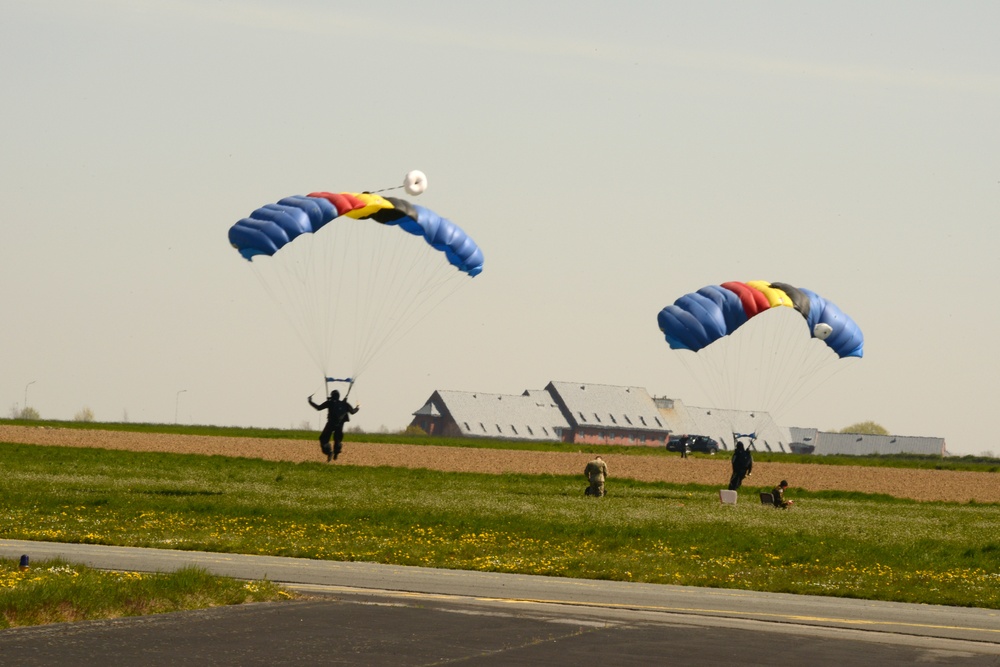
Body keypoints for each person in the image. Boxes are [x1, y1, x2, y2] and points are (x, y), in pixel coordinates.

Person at [308, 389, 360, 462]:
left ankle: (329, 452)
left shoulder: (330, 403)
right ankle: (336, 452)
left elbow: (318, 408)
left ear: (332, 396)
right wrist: (357, 407)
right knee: (338, 440)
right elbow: (352, 412)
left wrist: (310, 401)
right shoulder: (344, 404)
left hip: (330, 424)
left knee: (323, 439)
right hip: (340, 426)